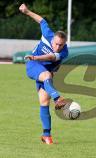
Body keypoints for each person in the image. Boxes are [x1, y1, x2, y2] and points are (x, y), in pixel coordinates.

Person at [19, 4, 71, 144]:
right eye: (56, 43)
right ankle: (58, 98)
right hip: (33, 66)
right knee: (47, 75)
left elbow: (50, 57)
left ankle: (46, 136)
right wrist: (27, 11)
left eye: (61, 45)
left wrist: (36, 57)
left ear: (65, 44)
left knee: (44, 102)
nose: (58, 47)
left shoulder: (64, 52)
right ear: (53, 38)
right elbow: (42, 20)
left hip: (41, 67)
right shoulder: (48, 34)